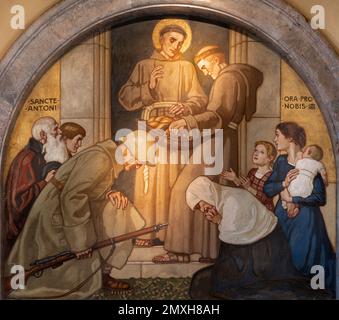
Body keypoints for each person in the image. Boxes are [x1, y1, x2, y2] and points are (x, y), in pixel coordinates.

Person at [6, 132, 151, 299]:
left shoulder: (105, 157)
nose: (138, 166)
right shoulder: (101, 160)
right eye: (139, 160)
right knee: (72, 278)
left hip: (64, 206)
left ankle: (103, 274)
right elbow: (72, 197)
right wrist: (80, 243)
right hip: (55, 212)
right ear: (127, 152)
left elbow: (87, 187)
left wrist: (109, 192)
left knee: (120, 209)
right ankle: (100, 276)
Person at [153, 45, 263, 263]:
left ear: (216, 59)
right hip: (224, 141)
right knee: (211, 192)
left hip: (217, 142)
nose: (205, 72)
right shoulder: (239, 77)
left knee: (183, 190)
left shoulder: (227, 78)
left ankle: (179, 251)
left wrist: (188, 121)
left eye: (205, 67)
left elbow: (218, 114)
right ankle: (210, 251)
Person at [119, 19, 207, 246]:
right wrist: (148, 86)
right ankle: (147, 232)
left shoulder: (187, 67)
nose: (176, 46)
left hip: (176, 130)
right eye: (172, 40)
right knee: (148, 180)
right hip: (149, 128)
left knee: (172, 179)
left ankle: (170, 234)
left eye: (180, 42)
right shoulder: (144, 65)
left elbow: (199, 98)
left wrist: (187, 106)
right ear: (160, 40)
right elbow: (125, 97)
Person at [187, 176, 315, 300]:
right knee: (203, 281)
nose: (202, 209)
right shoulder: (223, 200)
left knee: (222, 286)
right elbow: (234, 240)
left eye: (201, 203)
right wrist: (220, 221)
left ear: (208, 193)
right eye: (198, 208)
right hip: (252, 251)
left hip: (267, 251)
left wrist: (220, 221)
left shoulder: (232, 200)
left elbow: (232, 246)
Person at [263, 122, 335, 293]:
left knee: (303, 258)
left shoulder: (311, 162)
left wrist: (293, 198)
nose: (275, 139)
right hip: (283, 218)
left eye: (277, 134)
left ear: (290, 138)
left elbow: (320, 197)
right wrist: (283, 183)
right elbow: (267, 188)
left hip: (306, 220)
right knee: (280, 260)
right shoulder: (281, 161)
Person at [4, 117, 60, 255]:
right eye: (55, 130)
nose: (60, 133)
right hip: (19, 233)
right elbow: (19, 202)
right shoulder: (28, 159)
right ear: (42, 135)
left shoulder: (37, 155)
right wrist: (44, 182)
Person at [221, 141, 277, 212]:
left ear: (270, 158)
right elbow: (245, 190)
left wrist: (249, 188)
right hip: (251, 208)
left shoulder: (272, 175)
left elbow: (265, 199)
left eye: (262, 152)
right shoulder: (252, 172)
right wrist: (235, 179)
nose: (256, 154)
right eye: (255, 150)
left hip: (264, 212)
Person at [281, 144, 328, 216]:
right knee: (297, 196)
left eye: (304, 151)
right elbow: (323, 173)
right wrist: (325, 180)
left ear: (309, 152)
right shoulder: (318, 164)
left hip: (296, 182)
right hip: (305, 185)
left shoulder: (301, 161)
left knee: (290, 195)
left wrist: (299, 155)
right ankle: (294, 208)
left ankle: (289, 208)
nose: (302, 152)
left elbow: (295, 162)